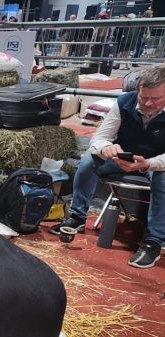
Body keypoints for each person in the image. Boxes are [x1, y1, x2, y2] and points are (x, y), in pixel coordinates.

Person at [50, 65, 165, 269]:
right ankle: (77, 217)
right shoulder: (124, 102)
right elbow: (100, 137)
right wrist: (106, 148)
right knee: (88, 162)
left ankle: (154, 241)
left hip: (155, 164)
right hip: (122, 159)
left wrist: (148, 164)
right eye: (143, 97)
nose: (147, 103)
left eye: (155, 99)